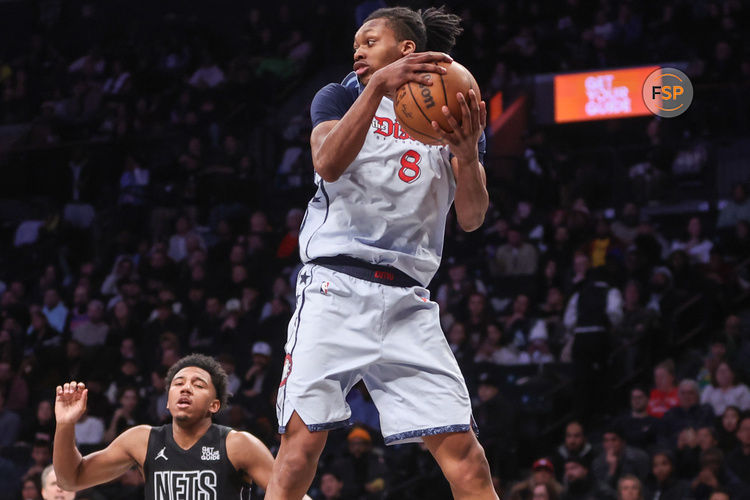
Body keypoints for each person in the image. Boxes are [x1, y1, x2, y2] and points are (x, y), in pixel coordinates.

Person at [266, 6, 495, 500]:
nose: (358, 49)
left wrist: (468, 151)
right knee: (300, 450)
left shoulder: (453, 103)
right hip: (335, 288)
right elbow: (326, 163)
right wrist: (375, 87)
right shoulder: (340, 94)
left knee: (469, 460)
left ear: (406, 49)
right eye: (356, 43)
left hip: (408, 300)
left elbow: (473, 217)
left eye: (370, 40)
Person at [53, 353, 312, 499]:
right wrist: (65, 425)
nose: (185, 387)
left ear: (214, 405)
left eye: (198, 385)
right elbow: (70, 479)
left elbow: (291, 494)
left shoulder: (238, 445)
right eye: (178, 384)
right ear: (168, 402)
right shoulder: (141, 440)